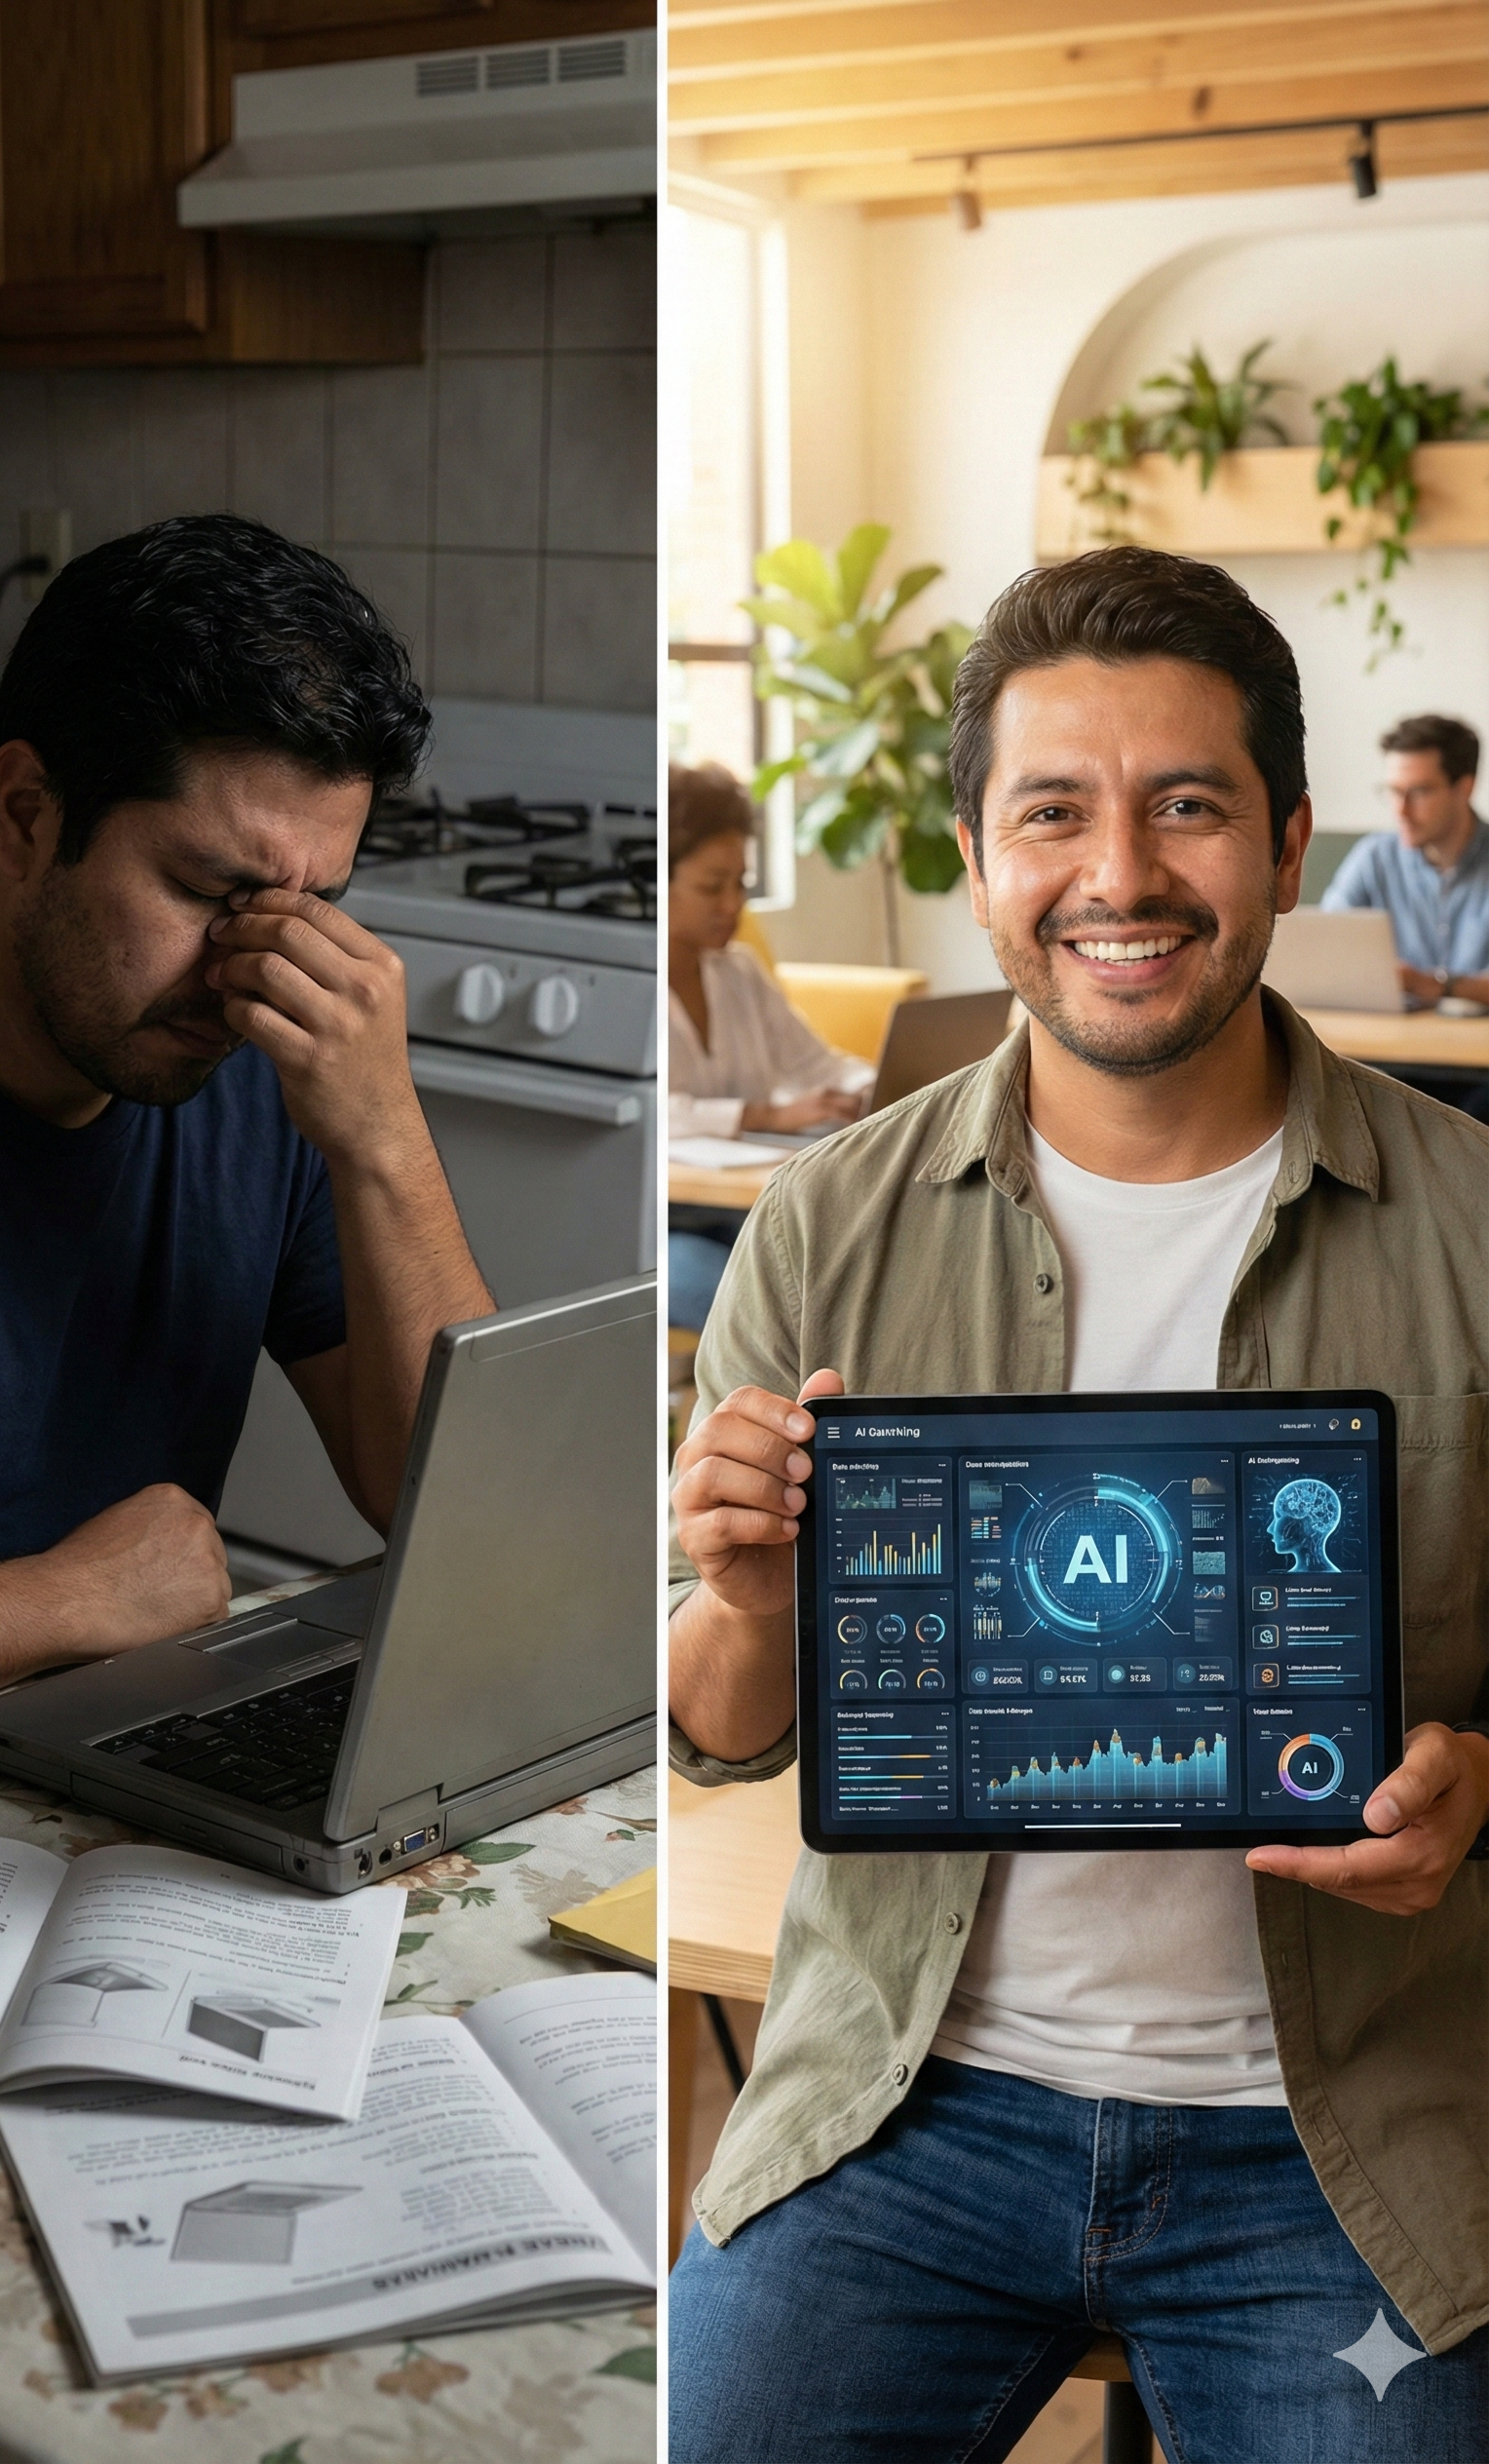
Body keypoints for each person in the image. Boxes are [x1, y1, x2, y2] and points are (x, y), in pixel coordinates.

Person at [668, 546, 1489, 2460]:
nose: (1116, 876)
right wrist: (742, 1594)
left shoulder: (1474, 1229)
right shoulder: (824, 1227)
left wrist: (1479, 1786)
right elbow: (722, 1730)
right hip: (899, 2113)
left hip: (1340, 2148)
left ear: (1288, 843)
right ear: (977, 853)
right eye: (1053, 812)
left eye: (1185, 805)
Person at [0, 514, 491, 1747]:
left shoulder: (267, 1067)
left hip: (95, 1783)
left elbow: (469, 1523)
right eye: (204, 892)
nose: (257, 968)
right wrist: (68, 1599)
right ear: (26, 812)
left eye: (316, 908)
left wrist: (385, 1139)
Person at [668, 760, 871, 1329]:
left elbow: (815, 1061)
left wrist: (871, 1089)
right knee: (765, 1311)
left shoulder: (740, 972)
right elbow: (660, 1117)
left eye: (739, 884)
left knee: (843, 1277)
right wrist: (769, 1115)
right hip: (656, 1227)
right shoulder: (639, 986)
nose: (732, 905)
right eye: (712, 886)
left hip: (746, 1208)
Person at [1321, 713, 1488, 1007]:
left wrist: (1432, 986)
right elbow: (1322, 949)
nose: (1401, 810)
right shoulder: (1374, 857)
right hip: (1386, 1043)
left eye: (1419, 792)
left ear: (1464, 788)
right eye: (1394, 791)